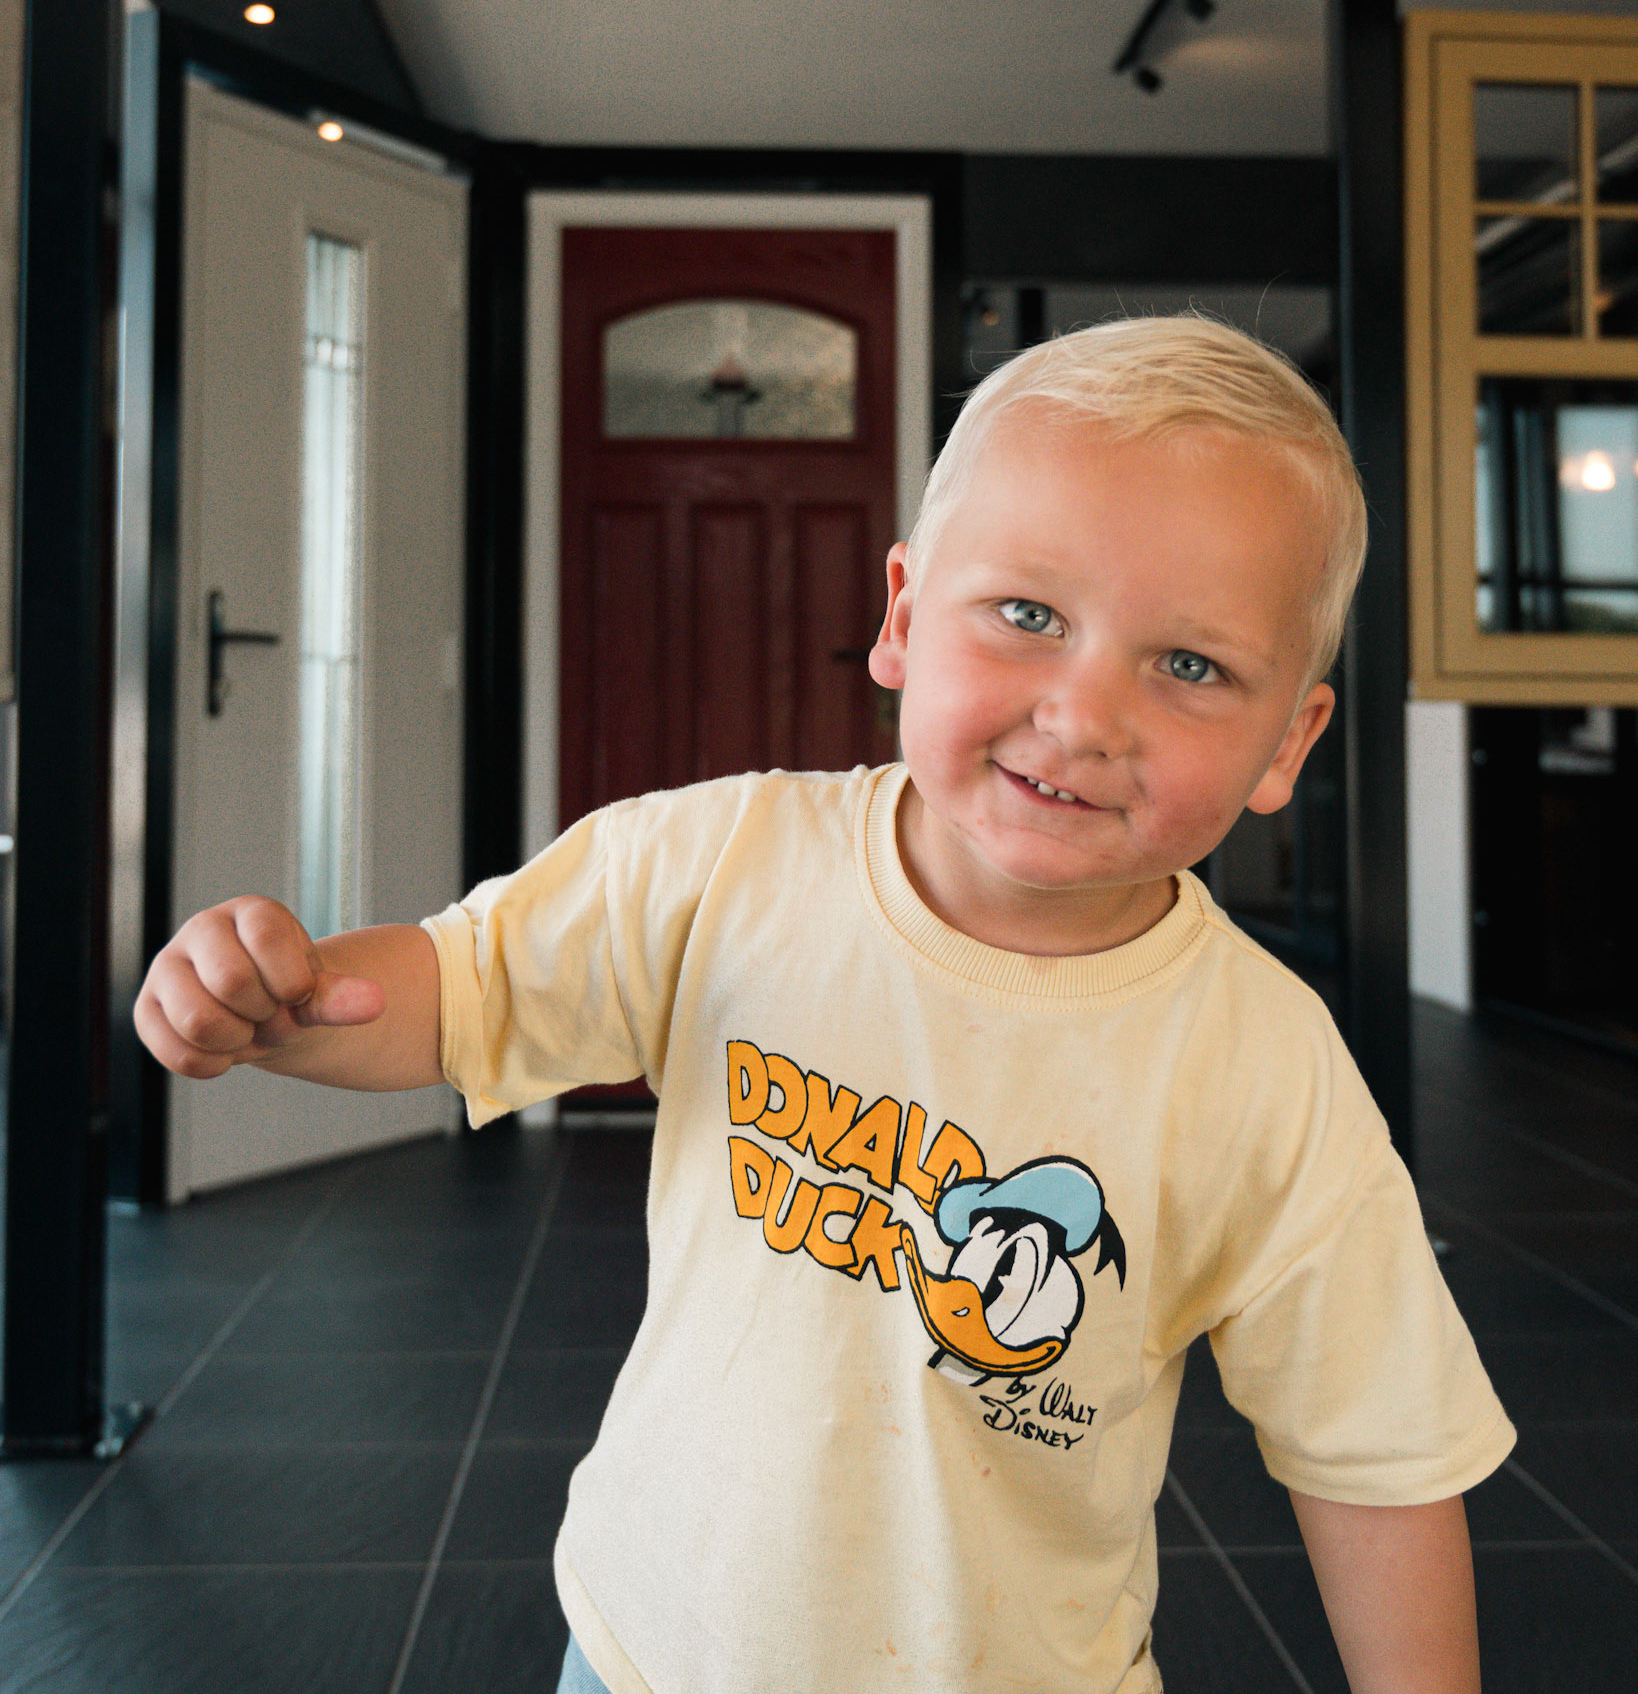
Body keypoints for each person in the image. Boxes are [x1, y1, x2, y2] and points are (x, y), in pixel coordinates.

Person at [135, 318, 1513, 1694]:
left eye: (1190, 666)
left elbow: (1375, 1450)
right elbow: (461, 989)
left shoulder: (1265, 1064)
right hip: (652, 1649)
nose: (1084, 715)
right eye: (1029, 616)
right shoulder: (718, 865)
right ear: (903, 618)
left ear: (1286, 743)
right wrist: (281, 1004)